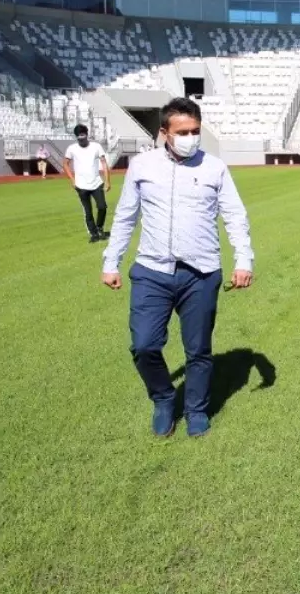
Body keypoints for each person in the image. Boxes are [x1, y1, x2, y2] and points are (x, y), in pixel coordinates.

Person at [102, 98, 254, 439]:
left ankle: (196, 409)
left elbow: (235, 215)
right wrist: (111, 262)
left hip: (200, 273)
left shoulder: (214, 168)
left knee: (198, 349)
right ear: (163, 133)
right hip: (152, 271)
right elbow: (126, 216)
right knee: (143, 345)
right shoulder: (142, 167)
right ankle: (164, 398)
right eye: (182, 132)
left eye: (195, 131)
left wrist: (243, 260)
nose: (190, 138)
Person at [64, 125, 111, 243]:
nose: (82, 140)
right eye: (79, 138)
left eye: (83, 137)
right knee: (88, 211)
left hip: (96, 183)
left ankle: (99, 227)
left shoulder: (96, 146)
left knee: (102, 206)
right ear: (76, 137)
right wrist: (72, 180)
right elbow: (65, 164)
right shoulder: (71, 149)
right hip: (81, 185)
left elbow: (104, 163)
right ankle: (94, 234)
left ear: (87, 135)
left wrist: (107, 180)